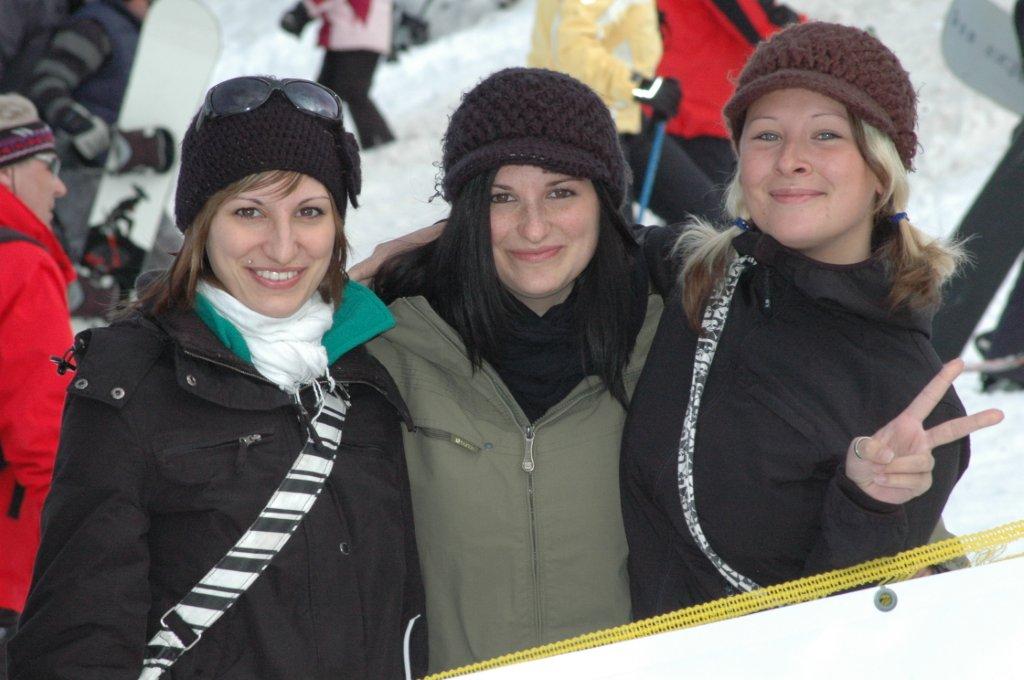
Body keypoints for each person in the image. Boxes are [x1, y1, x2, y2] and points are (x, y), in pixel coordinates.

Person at [8, 76, 424, 679]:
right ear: (202, 226)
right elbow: (77, 639)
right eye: (249, 212)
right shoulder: (131, 386)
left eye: (310, 212)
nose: (282, 246)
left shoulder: (371, 371)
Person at [620, 22, 1004, 619]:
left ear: (880, 171)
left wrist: (870, 505)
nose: (790, 160)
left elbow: (842, 632)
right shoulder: (690, 278)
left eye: (826, 135)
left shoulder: (910, 400)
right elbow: (551, 246)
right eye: (766, 135)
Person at [367, 67, 664, 673]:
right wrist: (364, 279)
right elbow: (260, 371)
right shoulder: (392, 343)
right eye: (502, 198)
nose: (533, 227)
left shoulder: (670, 339)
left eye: (561, 193)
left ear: (604, 204)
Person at [527, 0, 722, 223]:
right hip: (582, 125)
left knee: (710, 219)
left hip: (623, 117)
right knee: (617, 236)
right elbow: (572, 51)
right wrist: (640, 86)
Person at [0, 94, 73, 680]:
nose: (60, 187)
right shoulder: (21, 266)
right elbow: (41, 435)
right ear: (8, 172)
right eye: (48, 166)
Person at [654, 0, 801, 188]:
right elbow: (779, 41)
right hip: (704, 119)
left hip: (670, 110)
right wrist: (794, 22)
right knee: (713, 203)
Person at [280, 0, 396, 150]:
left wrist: (299, 13)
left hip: (353, 35)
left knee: (332, 94)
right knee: (333, 92)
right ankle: (322, 143)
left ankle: (377, 141)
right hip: (362, 34)